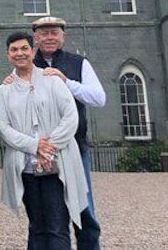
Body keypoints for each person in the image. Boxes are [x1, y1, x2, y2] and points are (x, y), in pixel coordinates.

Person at [0, 31, 88, 250]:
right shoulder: (4, 90)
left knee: (57, 227)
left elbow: (70, 116)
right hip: (27, 168)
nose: (19, 53)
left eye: (24, 48)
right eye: (14, 50)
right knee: (37, 226)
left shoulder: (52, 81)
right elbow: (3, 127)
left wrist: (49, 148)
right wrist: (34, 146)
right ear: (8, 55)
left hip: (57, 166)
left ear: (32, 51)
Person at [31, 16, 105, 250]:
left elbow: (99, 98)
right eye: (44, 33)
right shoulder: (28, 64)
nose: (49, 37)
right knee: (45, 210)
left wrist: (67, 82)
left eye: (54, 32)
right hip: (42, 150)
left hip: (74, 147)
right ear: (36, 38)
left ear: (63, 36)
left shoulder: (78, 63)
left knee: (83, 207)